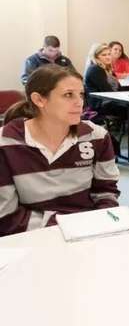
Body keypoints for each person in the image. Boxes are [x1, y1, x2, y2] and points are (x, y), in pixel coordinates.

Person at [0, 65, 120, 236]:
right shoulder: (5, 144)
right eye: (68, 95)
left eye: (81, 94)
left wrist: (97, 224)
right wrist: (66, 227)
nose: (79, 103)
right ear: (39, 100)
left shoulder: (97, 137)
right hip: (31, 236)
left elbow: (106, 192)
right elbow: (6, 216)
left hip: (87, 231)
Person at [84, 43, 121, 113]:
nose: (108, 57)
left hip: (110, 101)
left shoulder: (107, 69)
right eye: (104, 55)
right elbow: (107, 91)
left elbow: (118, 87)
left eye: (109, 54)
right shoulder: (95, 69)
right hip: (100, 105)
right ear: (97, 57)